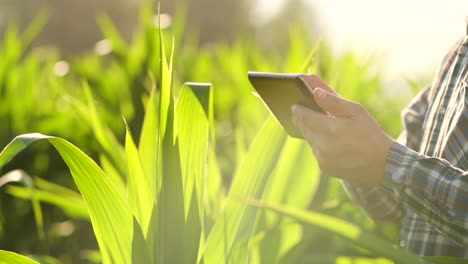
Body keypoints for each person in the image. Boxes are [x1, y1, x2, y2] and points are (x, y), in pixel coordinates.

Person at [291, 18, 468, 257]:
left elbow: (396, 168)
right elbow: (396, 209)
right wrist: (359, 158)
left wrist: (387, 162)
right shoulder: (456, 57)